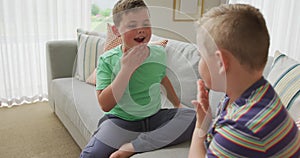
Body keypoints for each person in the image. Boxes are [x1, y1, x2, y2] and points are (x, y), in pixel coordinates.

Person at [80, 0, 196, 157]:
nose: (141, 30)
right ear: (116, 30)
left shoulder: (158, 53)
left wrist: (177, 103)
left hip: (154, 117)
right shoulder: (107, 60)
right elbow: (105, 104)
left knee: (193, 116)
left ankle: (134, 146)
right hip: (120, 120)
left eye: (146, 23)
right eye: (132, 25)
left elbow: (162, 78)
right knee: (91, 155)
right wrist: (127, 69)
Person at [189, 4, 300, 158]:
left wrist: (199, 128)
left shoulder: (241, 129)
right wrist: (205, 120)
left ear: (221, 62)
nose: (200, 61)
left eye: (201, 55)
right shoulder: (259, 92)